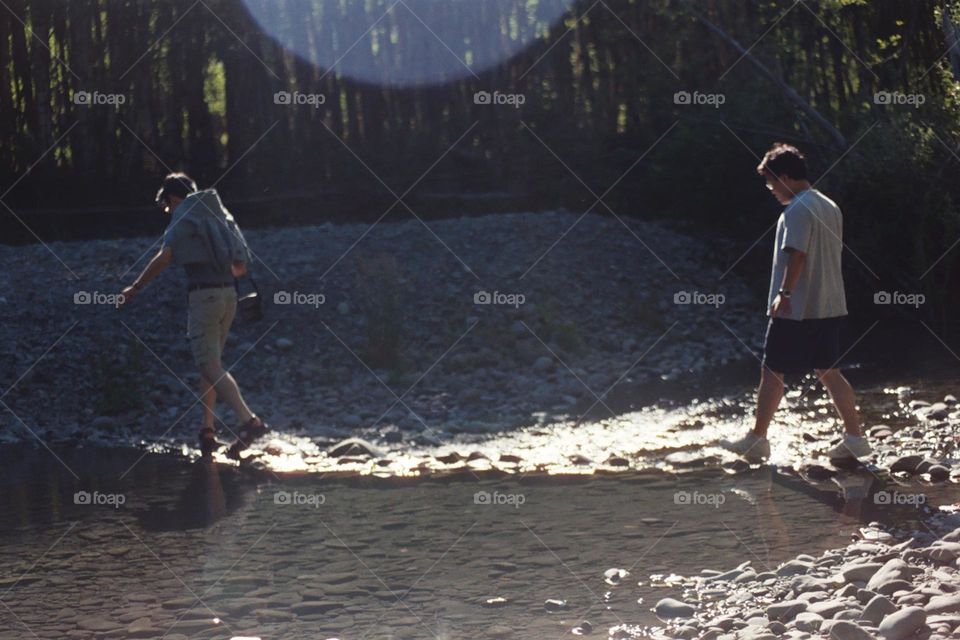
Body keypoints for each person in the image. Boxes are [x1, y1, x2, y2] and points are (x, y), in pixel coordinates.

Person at [722, 143, 870, 463]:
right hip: (830, 304)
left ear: (786, 177)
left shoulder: (798, 209)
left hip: (798, 307)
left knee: (772, 371)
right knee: (829, 370)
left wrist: (784, 295)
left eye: (772, 182)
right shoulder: (829, 205)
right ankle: (855, 438)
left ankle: (757, 440)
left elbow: (798, 254)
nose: (771, 189)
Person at [119, 172, 268, 459]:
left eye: (166, 206)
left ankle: (249, 422)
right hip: (229, 295)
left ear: (173, 198)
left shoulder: (184, 215)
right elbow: (241, 265)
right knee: (211, 364)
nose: (168, 211)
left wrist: (135, 287)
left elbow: (164, 257)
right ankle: (207, 430)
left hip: (204, 295)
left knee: (208, 364)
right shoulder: (222, 214)